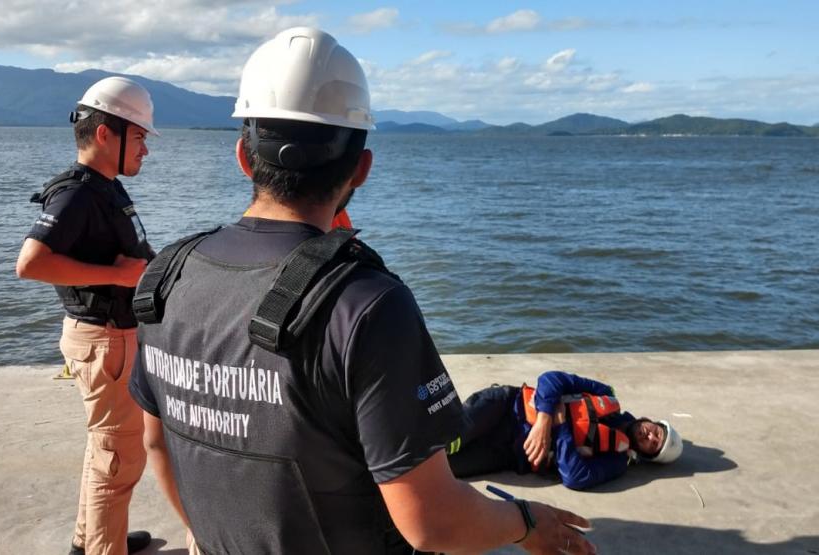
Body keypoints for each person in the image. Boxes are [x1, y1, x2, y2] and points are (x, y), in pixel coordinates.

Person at [128, 27, 596, 555]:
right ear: (361, 169)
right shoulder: (366, 306)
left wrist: (208, 535)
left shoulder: (165, 276)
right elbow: (434, 521)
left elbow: (157, 444)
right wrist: (526, 521)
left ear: (242, 156)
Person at [16, 76, 157, 555]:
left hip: (110, 338)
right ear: (105, 134)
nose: (145, 148)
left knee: (107, 452)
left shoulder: (104, 188)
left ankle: (93, 540)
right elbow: (30, 263)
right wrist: (117, 278)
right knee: (118, 459)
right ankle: (103, 547)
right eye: (138, 136)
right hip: (105, 341)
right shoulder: (76, 193)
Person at [448, 370, 684, 490]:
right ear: (649, 420)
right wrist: (544, 420)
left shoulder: (616, 461)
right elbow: (551, 379)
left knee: (442, 467)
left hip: (509, 454)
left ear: (644, 454)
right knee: (445, 440)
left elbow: (576, 477)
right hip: (505, 406)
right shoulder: (605, 394)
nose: (650, 436)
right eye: (656, 431)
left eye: (653, 444)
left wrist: (560, 427)